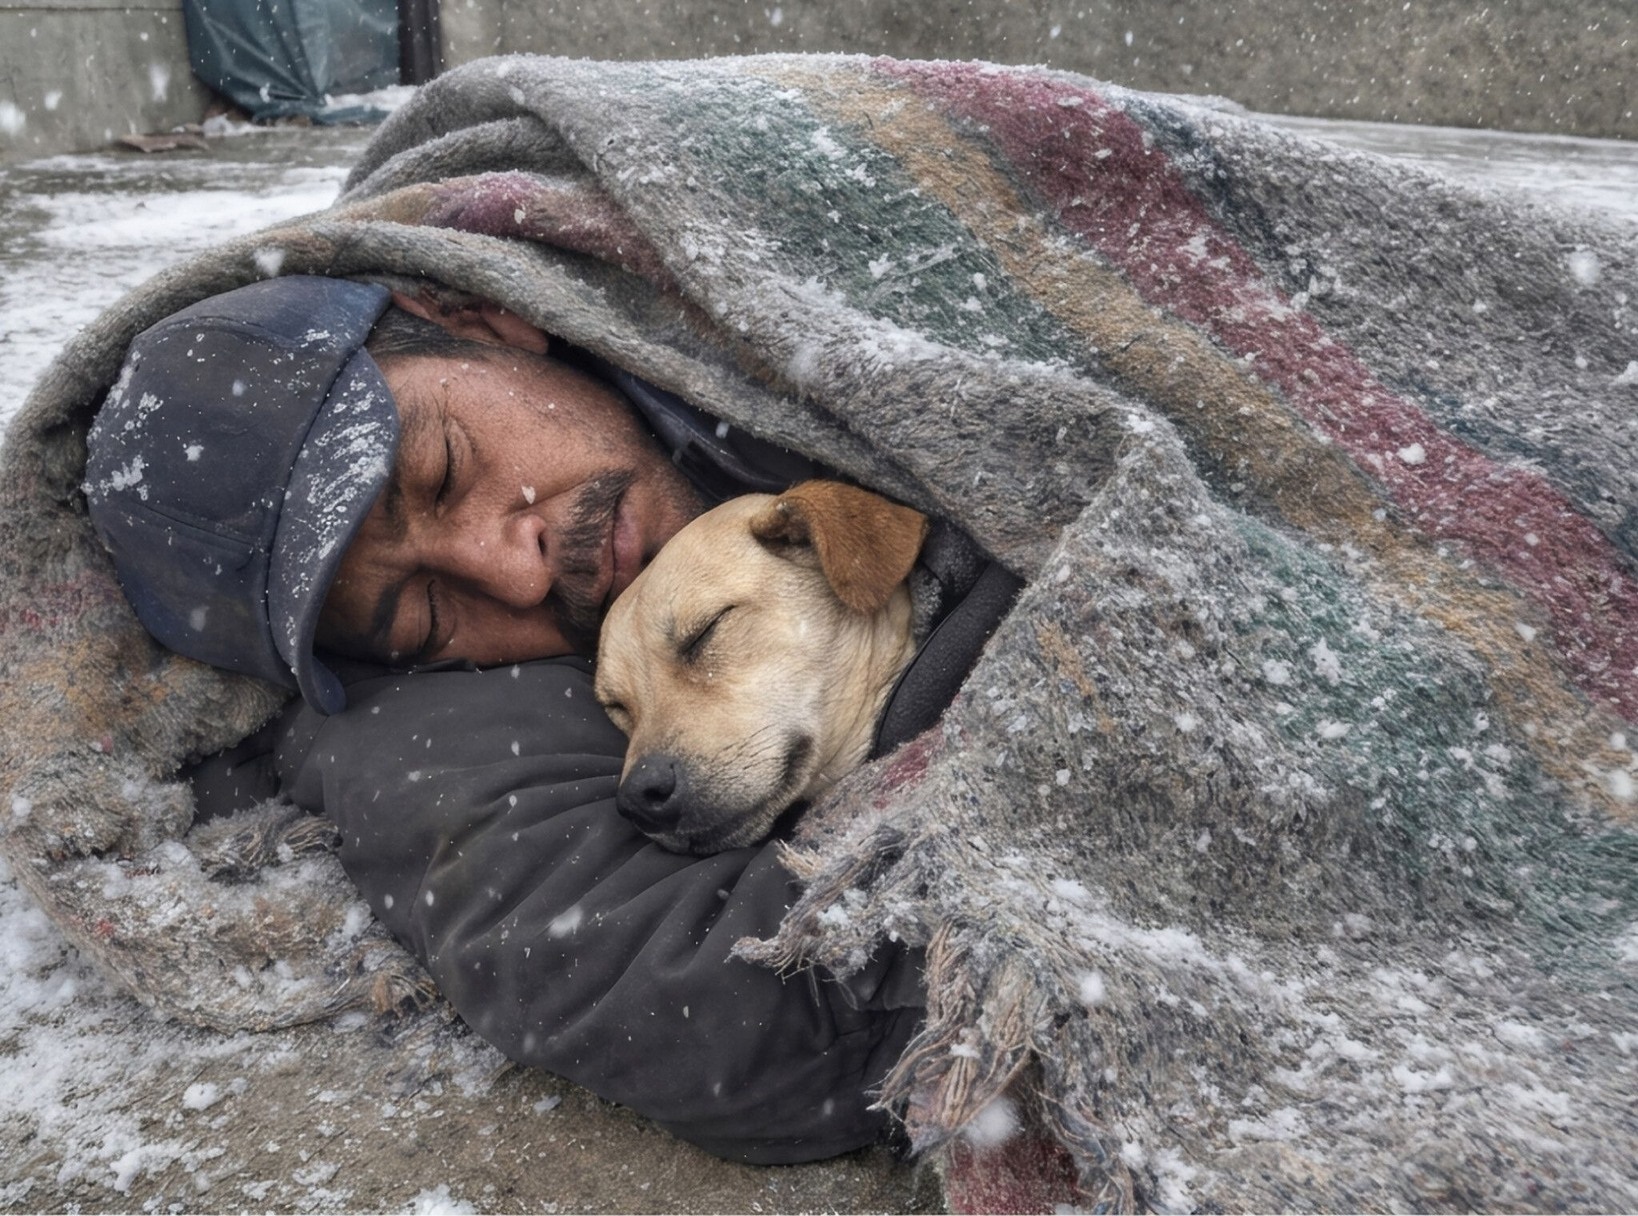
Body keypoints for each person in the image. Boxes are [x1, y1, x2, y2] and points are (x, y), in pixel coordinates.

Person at [82, 274, 1019, 1165]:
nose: (517, 572)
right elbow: (697, 1004)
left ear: (475, 315)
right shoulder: (432, 719)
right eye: (430, 614)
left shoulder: (826, 313)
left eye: (445, 471)